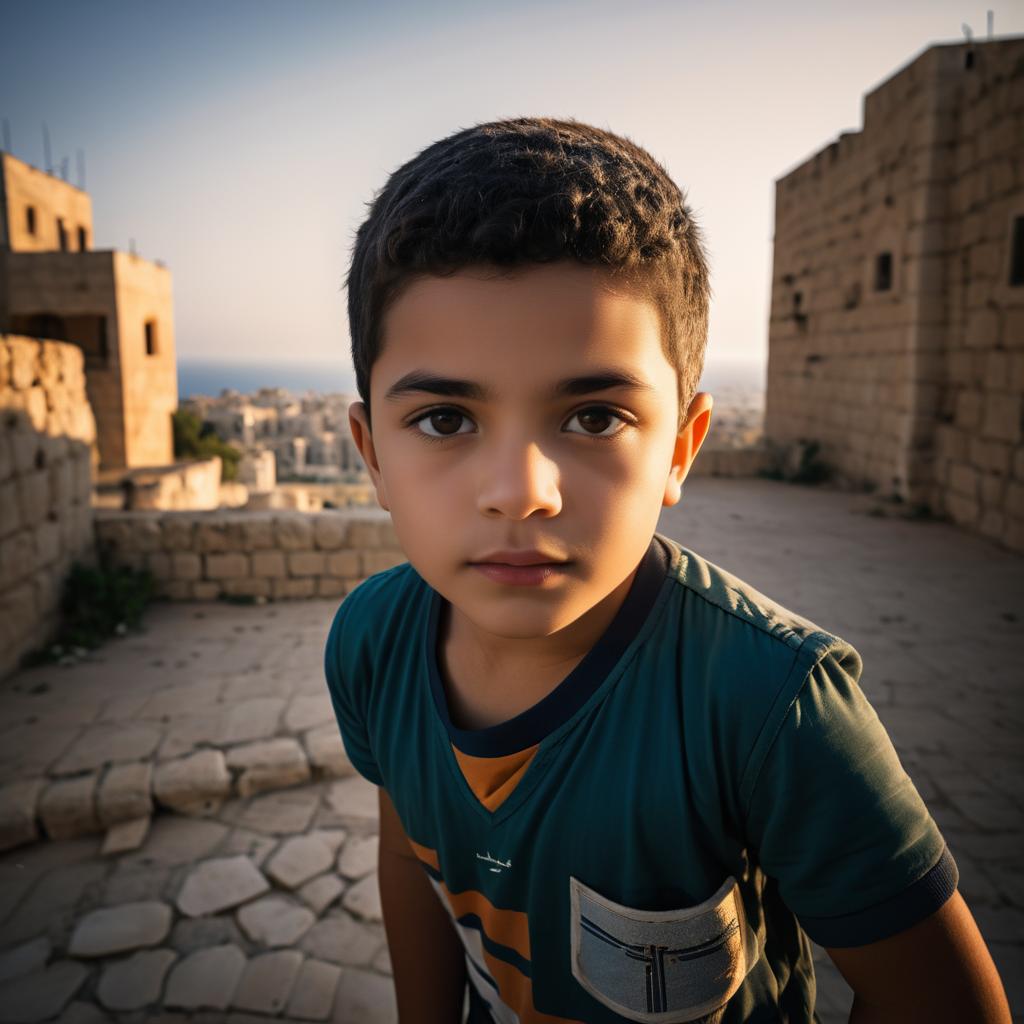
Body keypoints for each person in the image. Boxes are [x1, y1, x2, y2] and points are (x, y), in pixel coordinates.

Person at [324, 117, 1010, 1023]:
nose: (519, 493)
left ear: (681, 447)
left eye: (595, 418)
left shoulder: (770, 707)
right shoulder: (374, 642)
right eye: (447, 420)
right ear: (372, 455)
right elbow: (411, 850)